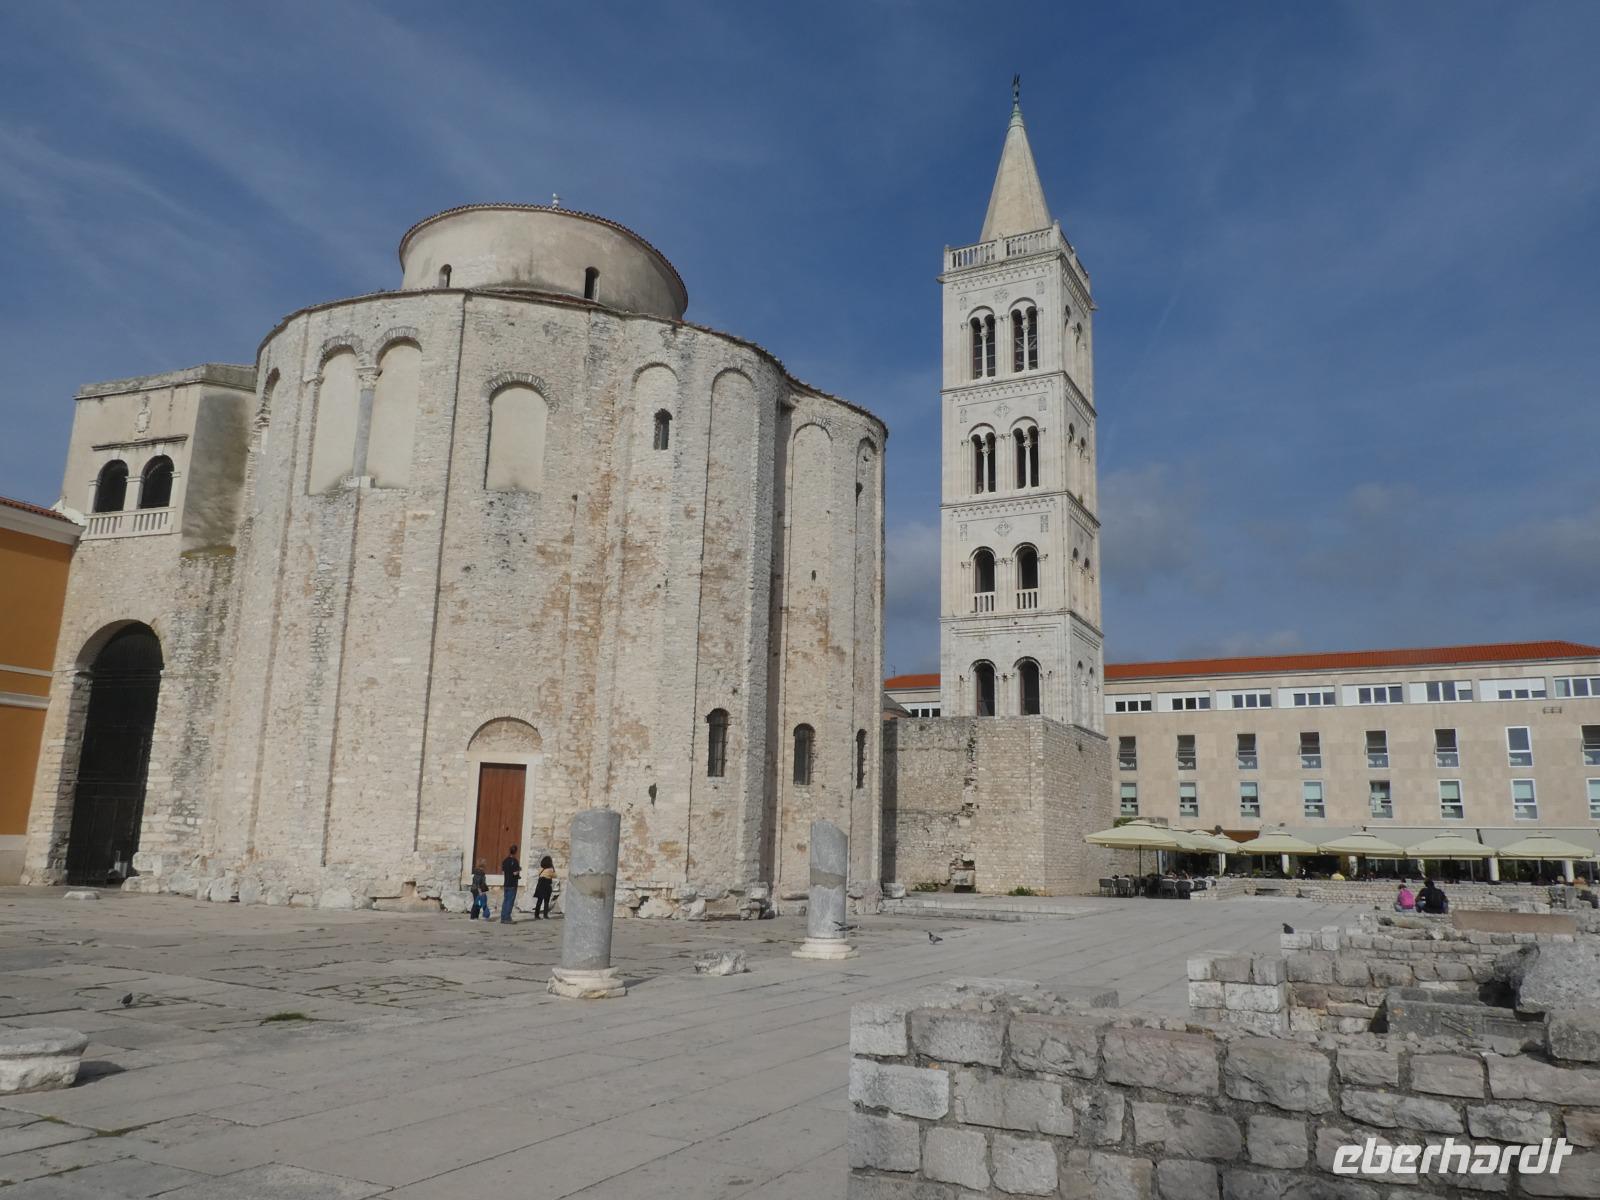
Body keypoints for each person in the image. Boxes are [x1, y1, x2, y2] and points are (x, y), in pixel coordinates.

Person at [500, 845, 522, 923]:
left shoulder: (505, 861)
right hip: (512, 883)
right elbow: (515, 873)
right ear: (516, 851)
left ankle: (503, 917)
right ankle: (507, 917)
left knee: (505, 900)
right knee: (510, 901)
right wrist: (519, 870)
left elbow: (503, 872)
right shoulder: (515, 861)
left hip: (506, 883)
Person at [533, 855, 556, 919]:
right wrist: (553, 867)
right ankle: (545, 915)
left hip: (540, 886)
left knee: (539, 901)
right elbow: (555, 875)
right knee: (546, 901)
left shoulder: (541, 869)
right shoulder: (550, 870)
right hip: (547, 886)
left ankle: (536, 915)